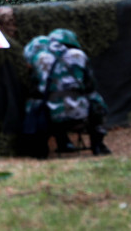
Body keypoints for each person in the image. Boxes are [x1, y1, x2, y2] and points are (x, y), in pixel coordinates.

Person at [21, 28, 111, 158]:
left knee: (33, 102)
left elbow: (34, 86)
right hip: (80, 112)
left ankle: (40, 148)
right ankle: (98, 144)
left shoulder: (39, 58)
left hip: (50, 115)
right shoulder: (79, 55)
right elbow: (90, 84)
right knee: (96, 99)